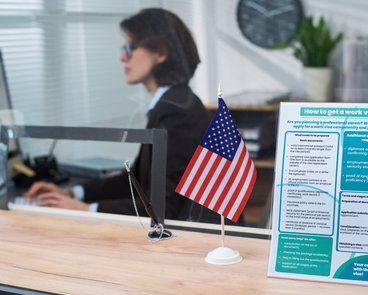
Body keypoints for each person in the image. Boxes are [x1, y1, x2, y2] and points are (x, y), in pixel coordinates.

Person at [24, 8, 230, 224]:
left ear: (160, 53)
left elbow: (163, 207)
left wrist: (87, 210)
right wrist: (74, 194)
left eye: (130, 47)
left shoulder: (175, 113)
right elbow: (137, 182)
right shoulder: (174, 103)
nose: (122, 57)